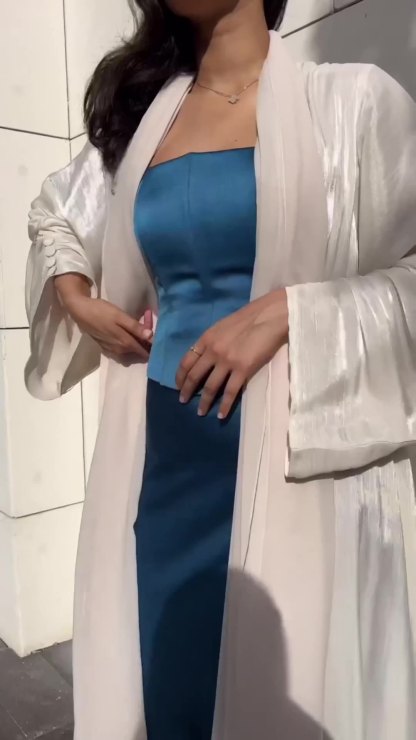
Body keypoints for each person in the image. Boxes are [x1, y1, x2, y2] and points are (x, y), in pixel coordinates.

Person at [25, 0, 416, 738]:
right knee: (170, 686)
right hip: (166, 464)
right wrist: (77, 297)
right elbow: (56, 215)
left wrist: (291, 311)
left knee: (277, 691)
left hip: (293, 466)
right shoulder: (145, 124)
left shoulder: (352, 104)